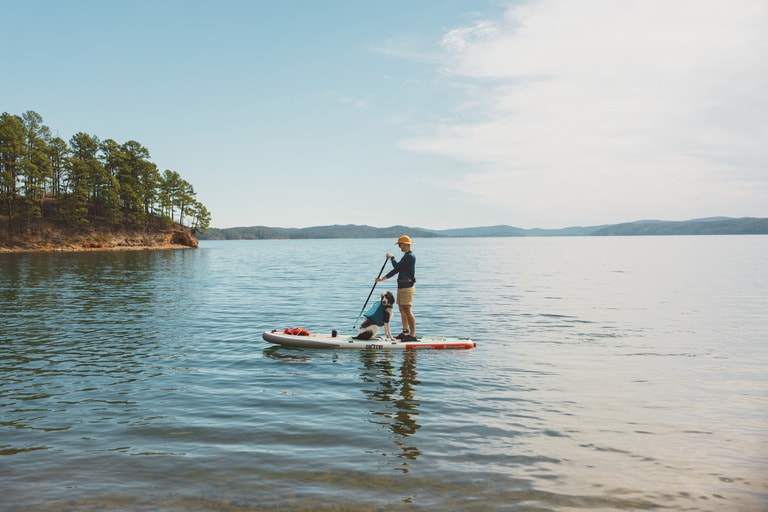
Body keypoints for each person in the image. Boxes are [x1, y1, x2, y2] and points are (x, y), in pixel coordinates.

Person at [376, 235, 417, 341]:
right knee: (402, 309)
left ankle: (412, 336)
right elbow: (396, 270)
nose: (399, 247)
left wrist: (392, 258)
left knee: (407, 310)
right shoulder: (406, 256)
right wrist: (382, 278)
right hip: (401, 286)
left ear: (406, 244)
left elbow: (397, 267)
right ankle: (405, 333)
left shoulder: (410, 256)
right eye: (399, 244)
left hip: (407, 287)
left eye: (400, 244)